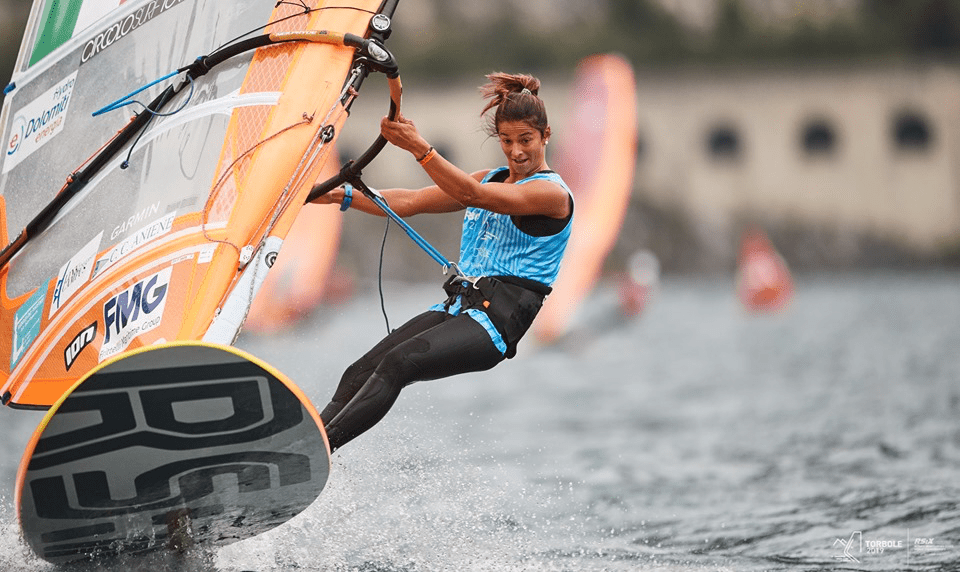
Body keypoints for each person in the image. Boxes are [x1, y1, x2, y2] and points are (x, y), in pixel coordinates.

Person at [310, 72, 573, 452]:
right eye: (507, 140)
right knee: (359, 371)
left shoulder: (552, 195)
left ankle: (320, 450)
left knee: (399, 363)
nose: (516, 151)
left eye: (526, 140)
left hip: (496, 326)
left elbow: (473, 195)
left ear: (546, 135)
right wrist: (339, 195)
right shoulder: (491, 178)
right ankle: (306, 444)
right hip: (458, 309)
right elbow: (411, 201)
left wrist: (420, 148)